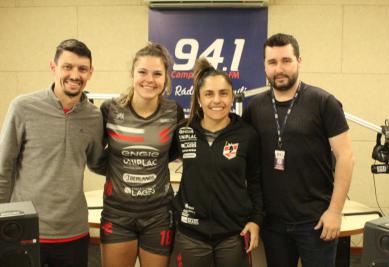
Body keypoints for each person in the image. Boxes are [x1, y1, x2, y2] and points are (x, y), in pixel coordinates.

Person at [243, 33, 355, 267]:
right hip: (273, 223)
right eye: (272, 62)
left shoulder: (324, 102)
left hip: (315, 221)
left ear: (299, 61)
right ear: (264, 65)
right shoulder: (254, 108)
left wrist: (335, 211)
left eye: (286, 60)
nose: (279, 68)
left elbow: (346, 157)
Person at [0, 39, 104, 267]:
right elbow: (3, 167)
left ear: (90, 72)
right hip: (25, 228)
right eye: (68, 67)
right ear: (53, 67)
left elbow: (98, 162)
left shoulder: (94, 117)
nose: (75, 75)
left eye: (82, 69)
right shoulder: (23, 107)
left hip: (74, 231)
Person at [96, 43, 184, 267]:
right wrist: (119, 171)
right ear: (132, 74)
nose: (149, 79)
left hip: (158, 214)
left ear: (166, 78)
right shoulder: (110, 110)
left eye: (157, 73)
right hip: (117, 213)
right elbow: (96, 157)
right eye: (142, 72)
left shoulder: (174, 111)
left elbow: (171, 154)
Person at [172, 58, 263, 267]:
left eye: (223, 93)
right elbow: (157, 162)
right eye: (209, 94)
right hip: (191, 235)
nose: (217, 100)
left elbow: (256, 182)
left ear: (232, 96)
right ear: (199, 98)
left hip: (233, 235)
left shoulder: (247, 135)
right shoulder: (183, 131)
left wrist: (255, 220)